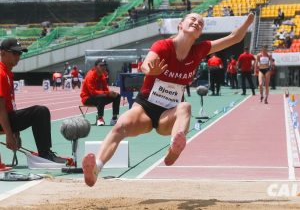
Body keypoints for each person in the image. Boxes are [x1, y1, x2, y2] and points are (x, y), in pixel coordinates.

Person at [82, 12, 255, 187]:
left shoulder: (200, 50)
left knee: (185, 106)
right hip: (145, 108)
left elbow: (235, 37)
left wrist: (248, 21)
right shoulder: (163, 46)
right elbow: (145, 65)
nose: (197, 22)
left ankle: (174, 148)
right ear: (181, 25)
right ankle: (96, 168)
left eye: (200, 23)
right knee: (121, 126)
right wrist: (151, 70)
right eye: (192, 19)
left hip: (169, 114)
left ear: (200, 33)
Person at [0, 38, 64, 162]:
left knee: (40, 111)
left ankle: (45, 153)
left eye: (20, 53)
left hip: (7, 117)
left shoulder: (8, 73)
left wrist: (16, 133)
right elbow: (1, 109)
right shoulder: (1, 74)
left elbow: (11, 107)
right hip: (1, 119)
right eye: (14, 53)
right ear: (2, 53)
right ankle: (45, 155)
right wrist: (9, 135)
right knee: (40, 112)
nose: (18, 56)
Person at [80, 59, 121, 126]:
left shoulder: (102, 76)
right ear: (96, 67)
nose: (103, 67)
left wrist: (111, 93)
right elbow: (92, 92)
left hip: (98, 97)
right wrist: (107, 93)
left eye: (105, 66)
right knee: (102, 96)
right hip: (87, 98)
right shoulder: (90, 76)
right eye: (101, 65)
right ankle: (100, 118)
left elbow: (105, 89)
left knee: (117, 96)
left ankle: (114, 118)